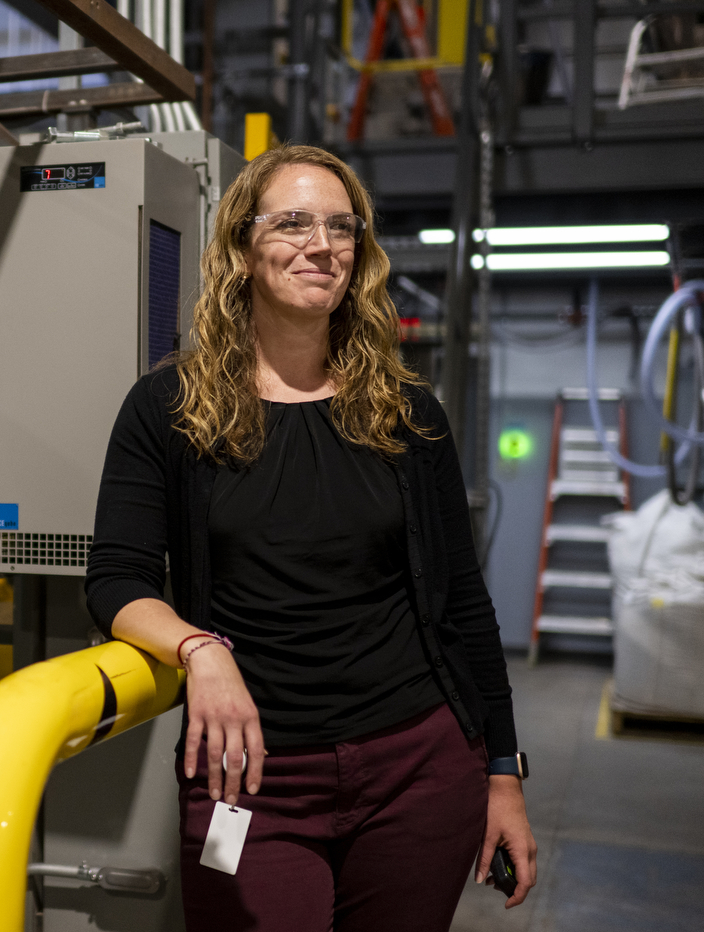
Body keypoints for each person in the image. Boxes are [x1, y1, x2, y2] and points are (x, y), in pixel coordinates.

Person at [84, 145, 536, 931]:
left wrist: (503, 774)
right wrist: (201, 649)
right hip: (251, 776)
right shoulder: (168, 408)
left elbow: (464, 603)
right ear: (240, 248)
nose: (320, 244)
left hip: (418, 768)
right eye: (292, 222)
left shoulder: (407, 413)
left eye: (340, 227)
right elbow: (116, 581)